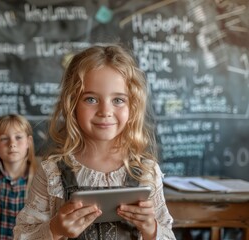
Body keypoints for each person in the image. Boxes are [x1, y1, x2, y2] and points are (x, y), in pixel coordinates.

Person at [14, 44, 176, 239]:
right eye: (91, 99)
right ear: (72, 103)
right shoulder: (52, 172)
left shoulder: (146, 172)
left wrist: (151, 229)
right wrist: (55, 229)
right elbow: (23, 234)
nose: (105, 111)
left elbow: (167, 234)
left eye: (118, 100)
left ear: (132, 106)